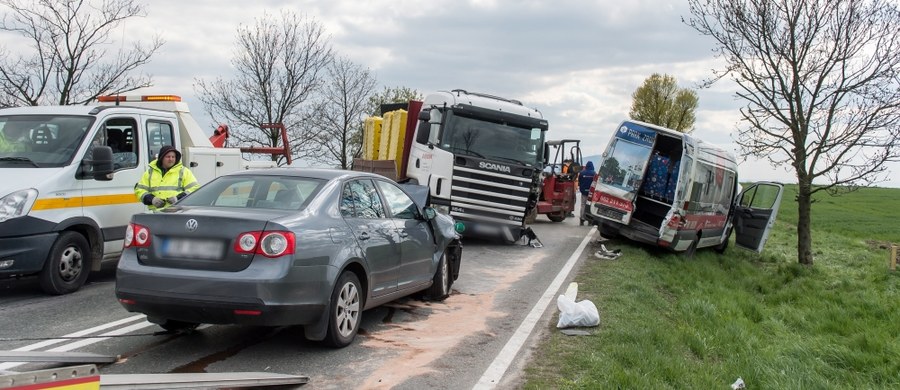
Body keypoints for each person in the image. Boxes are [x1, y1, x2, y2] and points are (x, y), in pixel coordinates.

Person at [135, 145, 200, 210]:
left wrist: (178, 198)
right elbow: (139, 190)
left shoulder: (184, 172)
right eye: (168, 157)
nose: (171, 159)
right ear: (161, 158)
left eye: (173, 157)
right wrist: (152, 199)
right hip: (155, 214)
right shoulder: (150, 172)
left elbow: (195, 189)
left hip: (177, 213)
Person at [577, 161, 596, 225]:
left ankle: (582, 218)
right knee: (590, 205)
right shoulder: (594, 173)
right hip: (591, 193)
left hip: (583, 192)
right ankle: (590, 220)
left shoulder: (582, 173)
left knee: (583, 205)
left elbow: (579, 181)